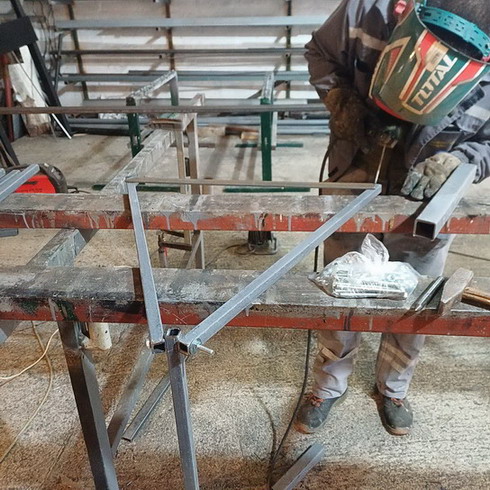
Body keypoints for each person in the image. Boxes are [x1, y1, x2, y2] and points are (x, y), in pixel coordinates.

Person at [295, 0, 490, 436]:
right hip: (356, 168)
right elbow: (319, 53)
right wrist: (342, 99)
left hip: (429, 193)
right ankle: (328, 385)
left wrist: (461, 162)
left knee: (417, 294)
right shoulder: (366, 11)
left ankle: (393, 388)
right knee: (341, 283)